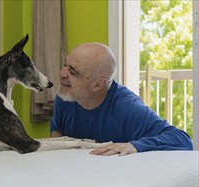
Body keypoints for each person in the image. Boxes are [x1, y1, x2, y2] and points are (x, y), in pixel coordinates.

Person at [50, 42, 193, 156]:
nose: (62, 73)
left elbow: (181, 139)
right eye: (65, 65)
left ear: (98, 84)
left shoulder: (127, 107)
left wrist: (134, 145)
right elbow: (57, 129)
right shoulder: (66, 96)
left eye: (73, 72)